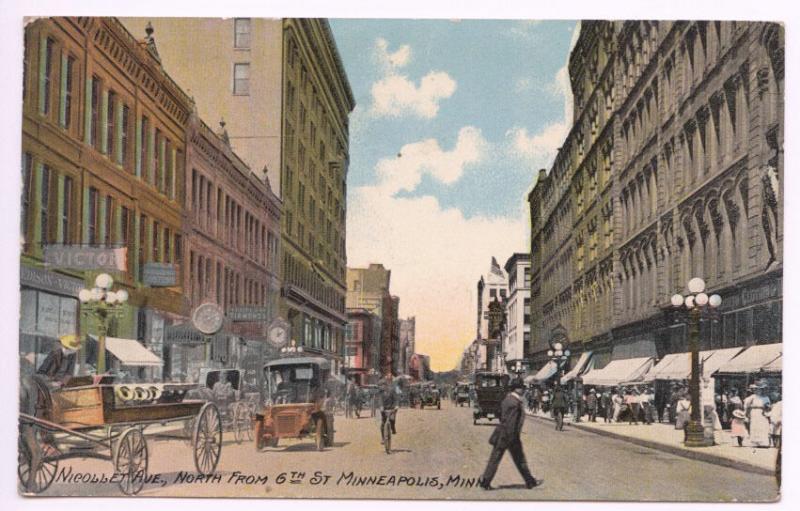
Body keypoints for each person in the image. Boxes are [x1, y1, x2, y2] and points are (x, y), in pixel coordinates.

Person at [479, 380, 538, 490]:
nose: (523, 390)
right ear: (516, 389)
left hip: (502, 433)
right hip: (509, 435)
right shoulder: (515, 403)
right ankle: (529, 481)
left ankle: (486, 481)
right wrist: (513, 437)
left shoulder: (507, 399)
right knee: (519, 459)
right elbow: (512, 422)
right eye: (521, 388)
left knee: (496, 458)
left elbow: (503, 417)